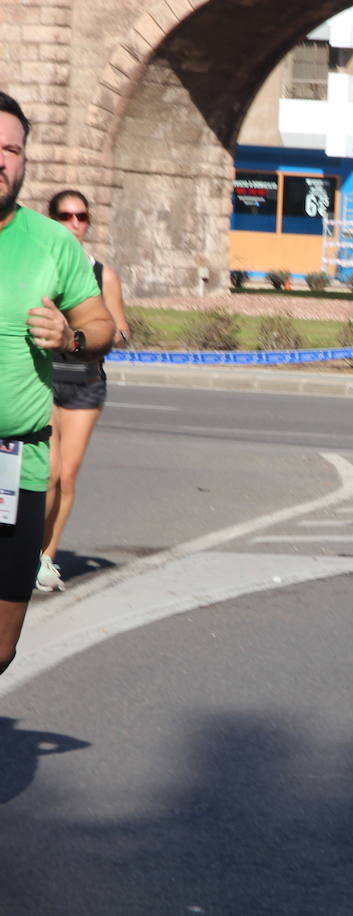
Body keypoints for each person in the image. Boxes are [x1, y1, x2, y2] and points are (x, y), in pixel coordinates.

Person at [0, 91, 114, 676]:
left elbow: (103, 325)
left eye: (11, 149)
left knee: (2, 646)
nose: (1, 159)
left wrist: (71, 336)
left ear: (23, 161)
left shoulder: (53, 244)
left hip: (16, 465)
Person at [35, 190, 132, 592]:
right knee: (46, 474)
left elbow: (122, 330)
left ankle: (46, 557)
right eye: (65, 215)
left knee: (66, 476)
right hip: (42, 380)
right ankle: (24, 549)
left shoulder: (101, 275)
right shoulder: (40, 263)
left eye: (81, 217)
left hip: (85, 383)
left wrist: (106, 333)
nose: (74, 223)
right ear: (52, 219)